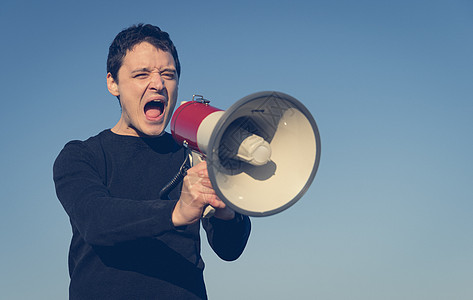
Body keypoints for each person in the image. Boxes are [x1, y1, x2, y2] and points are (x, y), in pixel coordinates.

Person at [53, 23, 251, 300]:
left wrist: (227, 211)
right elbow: (95, 221)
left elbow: (229, 250)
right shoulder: (81, 156)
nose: (157, 84)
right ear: (113, 83)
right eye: (141, 74)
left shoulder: (191, 155)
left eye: (168, 74)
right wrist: (177, 212)